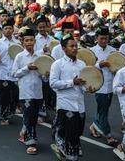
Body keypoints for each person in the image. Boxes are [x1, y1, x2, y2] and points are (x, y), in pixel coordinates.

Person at [50, 33, 87, 161]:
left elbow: (84, 84)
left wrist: (89, 89)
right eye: (71, 46)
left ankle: (61, 143)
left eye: (76, 46)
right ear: (64, 48)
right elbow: (53, 83)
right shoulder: (57, 64)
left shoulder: (82, 64)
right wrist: (72, 82)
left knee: (78, 132)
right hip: (66, 104)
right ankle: (68, 152)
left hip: (80, 104)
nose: (75, 48)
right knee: (70, 134)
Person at [12, 28, 46, 155]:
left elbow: (44, 76)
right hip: (25, 91)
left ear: (35, 41)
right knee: (29, 116)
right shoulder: (19, 57)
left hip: (38, 91)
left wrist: (45, 74)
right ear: (23, 42)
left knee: (33, 116)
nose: (29, 43)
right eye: (27, 40)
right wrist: (27, 68)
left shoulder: (40, 57)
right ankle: (31, 142)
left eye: (31, 40)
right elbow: (14, 73)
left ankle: (23, 132)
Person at [89, 26, 118, 145]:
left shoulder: (112, 50)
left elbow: (117, 66)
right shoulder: (92, 51)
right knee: (104, 111)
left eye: (106, 38)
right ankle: (108, 135)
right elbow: (88, 67)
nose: (104, 41)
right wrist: (99, 64)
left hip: (110, 85)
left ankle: (94, 125)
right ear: (96, 38)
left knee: (103, 109)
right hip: (99, 85)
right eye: (101, 38)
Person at [0, 20, 19, 125]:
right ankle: (3, 115)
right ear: (2, 30)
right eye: (6, 28)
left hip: (14, 73)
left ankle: (10, 113)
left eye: (10, 28)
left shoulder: (17, 43)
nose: (8, 30)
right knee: (3, 95)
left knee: (14, 95)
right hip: (3, 72)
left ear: (13, 30)